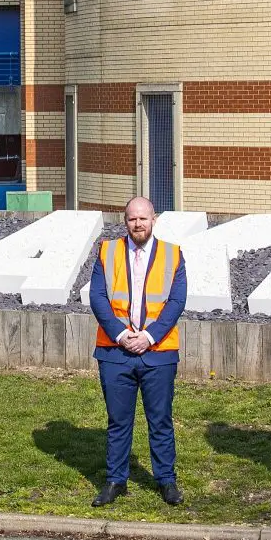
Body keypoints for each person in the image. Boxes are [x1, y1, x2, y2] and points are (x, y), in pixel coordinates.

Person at [86, 196, 187, 508]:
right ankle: (116, 479)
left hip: (157, 353)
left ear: (153, 219)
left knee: (160, 419)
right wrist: (121, 335)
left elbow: (176, 301)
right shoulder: (107, 251)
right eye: (132, 219)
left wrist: (149, 336)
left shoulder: (173, 254)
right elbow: (98, 297)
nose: (138, 224)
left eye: (143, 218)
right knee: (118, 421)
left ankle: (166, 480)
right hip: (115, 352)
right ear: (124, 220)